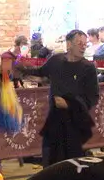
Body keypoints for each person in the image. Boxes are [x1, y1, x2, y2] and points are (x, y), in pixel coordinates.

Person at [39, 29, 99, 165]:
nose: (83, 46)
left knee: (71, 165)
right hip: (54, 121)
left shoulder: (88, 68)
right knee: (50, 163)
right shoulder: (56, 60)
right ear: (69, 44)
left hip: (75, 123)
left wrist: (70, 104)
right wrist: (17, 70)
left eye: (85, 44)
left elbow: (93, 97)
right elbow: (40, 74)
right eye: (79, 43)